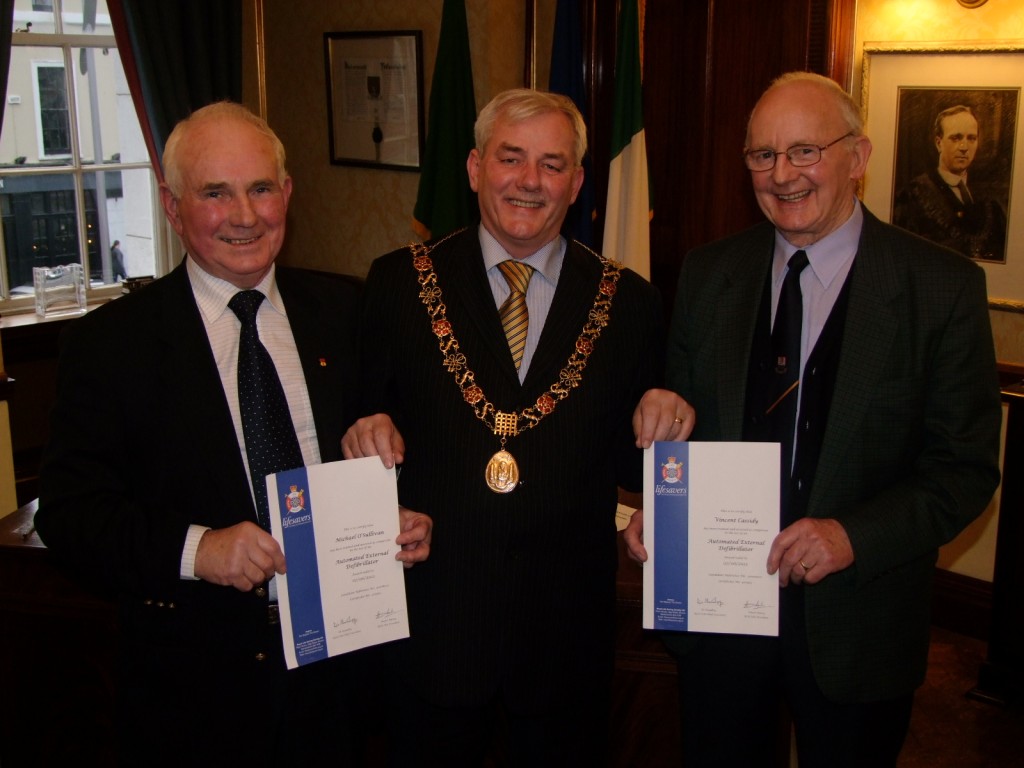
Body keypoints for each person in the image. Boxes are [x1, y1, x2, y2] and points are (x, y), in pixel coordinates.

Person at [34, 102, 432, 766]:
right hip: (192, 699)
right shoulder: (112, 345)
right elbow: (72, 516)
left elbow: (385, 441)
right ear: (172, 205)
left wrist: (406, 512)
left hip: (339, 689)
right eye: (216, 193)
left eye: (260, 188)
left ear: (287, 194)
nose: (245, 216)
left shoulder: (346, 310)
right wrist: (199, 549)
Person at [625, 72, 1001, 767]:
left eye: (805, 150)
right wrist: (665, 499)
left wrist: (852, 536)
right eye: (762, 156)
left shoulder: (940, 288)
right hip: (719, 619)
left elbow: (964, 470)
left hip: (859, 624)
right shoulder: (709, 275)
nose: (783, 174)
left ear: (857, 156)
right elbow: (685, 426)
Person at [341, 88, 690, 766]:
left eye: (553, 164)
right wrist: (362, 431)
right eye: (511, 158)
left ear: (579, 182)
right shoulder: (397, 285)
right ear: (474, 168)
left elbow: (633, 465)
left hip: (564, 642)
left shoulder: (632, 304)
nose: (530, 182)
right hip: (434, 629)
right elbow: (354, 428)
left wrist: (671, 423)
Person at [893, 104, 1007, 260]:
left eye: (971, 138)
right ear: (938, 143)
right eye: (956, 138)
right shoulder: (911, 196)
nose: (964, 147)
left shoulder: (990, 202)